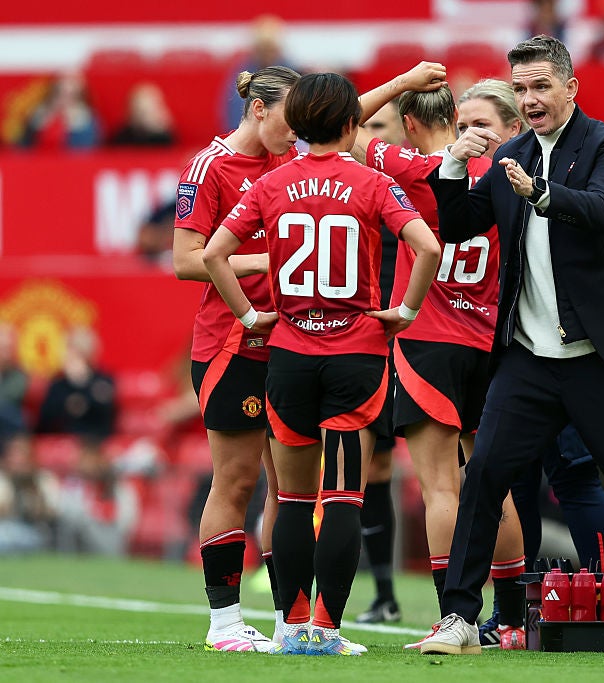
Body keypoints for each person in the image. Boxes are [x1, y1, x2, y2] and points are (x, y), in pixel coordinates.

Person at [419, 34, 604, 657]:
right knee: (483, 476)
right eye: (521, 89)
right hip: (529, 358)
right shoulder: (509, 153)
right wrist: (455, 164)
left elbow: (603, 208)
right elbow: (456, 224)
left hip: (601, 356)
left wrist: (540, 194)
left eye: (541, 86)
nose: (531, 99)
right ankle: (459, 619)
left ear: (571, 87)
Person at [203, 70, 441, 656]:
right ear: (352, 123)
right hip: (355, 351)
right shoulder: (372, 182)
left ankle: (291, 623)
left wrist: (251, 317)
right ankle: (327, 631)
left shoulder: (271, 183)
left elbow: (213, 254)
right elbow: (428, 246)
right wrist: (406, 310)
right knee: (343, 498)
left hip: (288, 353)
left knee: (292, 497)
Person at [351, 82, 530, 650]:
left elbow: (341, 125)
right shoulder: (509, 175)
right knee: (494, 486)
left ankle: (454, 618)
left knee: (440, 489)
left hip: (427, 339)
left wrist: (404, 80)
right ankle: (512, 619)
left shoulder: (407, 166)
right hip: (490, 342)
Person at [173, 64, 302, 653]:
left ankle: (291, 624)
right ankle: (224, 621)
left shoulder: (291, 161)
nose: (297, 131)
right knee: (237, 478)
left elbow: (343, 123)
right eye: (289, 118)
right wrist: (261, 265)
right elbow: (186, 260)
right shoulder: (209, 167)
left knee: (293, 486)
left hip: (292, 340)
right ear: (257, 109)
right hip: (232, 342)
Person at [354, 98, 406, 626]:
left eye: (378, 127)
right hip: (373, 341)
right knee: (374, 467)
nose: (366, 136)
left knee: (456, 468)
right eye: (362, 125)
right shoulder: (350, 189)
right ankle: (384, 594)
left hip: (421, 338)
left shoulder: (412, 191)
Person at [54, 439, 138, 556]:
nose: (82, 464)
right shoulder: (74, 484)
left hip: (111, 535)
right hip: (81, 535)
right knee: (69, 521)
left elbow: (127, 517)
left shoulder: (115, 484)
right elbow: (63, 511)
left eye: (87, 460)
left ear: (98, 460)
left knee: (80, 520)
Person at [36, 326, 116, 441]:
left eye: (70, 351)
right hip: (63, 446)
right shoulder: (58, 385)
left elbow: (104, 416)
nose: (64, 355)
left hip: (95, 445)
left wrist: (81, 382)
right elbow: (45, 421)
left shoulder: (104, 380)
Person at [222, 15, 299, 133]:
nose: (268, 55)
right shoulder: (242, 79)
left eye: (271, 49)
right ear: (256, 50)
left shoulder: (294, 76)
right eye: (263, 49)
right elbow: (234, 122)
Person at [0, 433, 59, 554]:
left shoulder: (43, 479)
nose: (16, 461)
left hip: (37, 532)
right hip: (7, 528)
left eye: (20, 457)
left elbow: (53, 512)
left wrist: (32, 490)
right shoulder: (3, 479)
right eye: (12, 456)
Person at [18, 70, 100, 149]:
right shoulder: (38, 114)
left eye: (72, 96)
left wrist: (72, 124)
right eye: (60, 94)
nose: (65, 100)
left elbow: (88, 150)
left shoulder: (87, 119)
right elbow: (24, 146)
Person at [108, 82, 176, 147]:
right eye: (144, 112)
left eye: (153, 110)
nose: (149, 116)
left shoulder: (165, 137)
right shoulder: (122, 138)